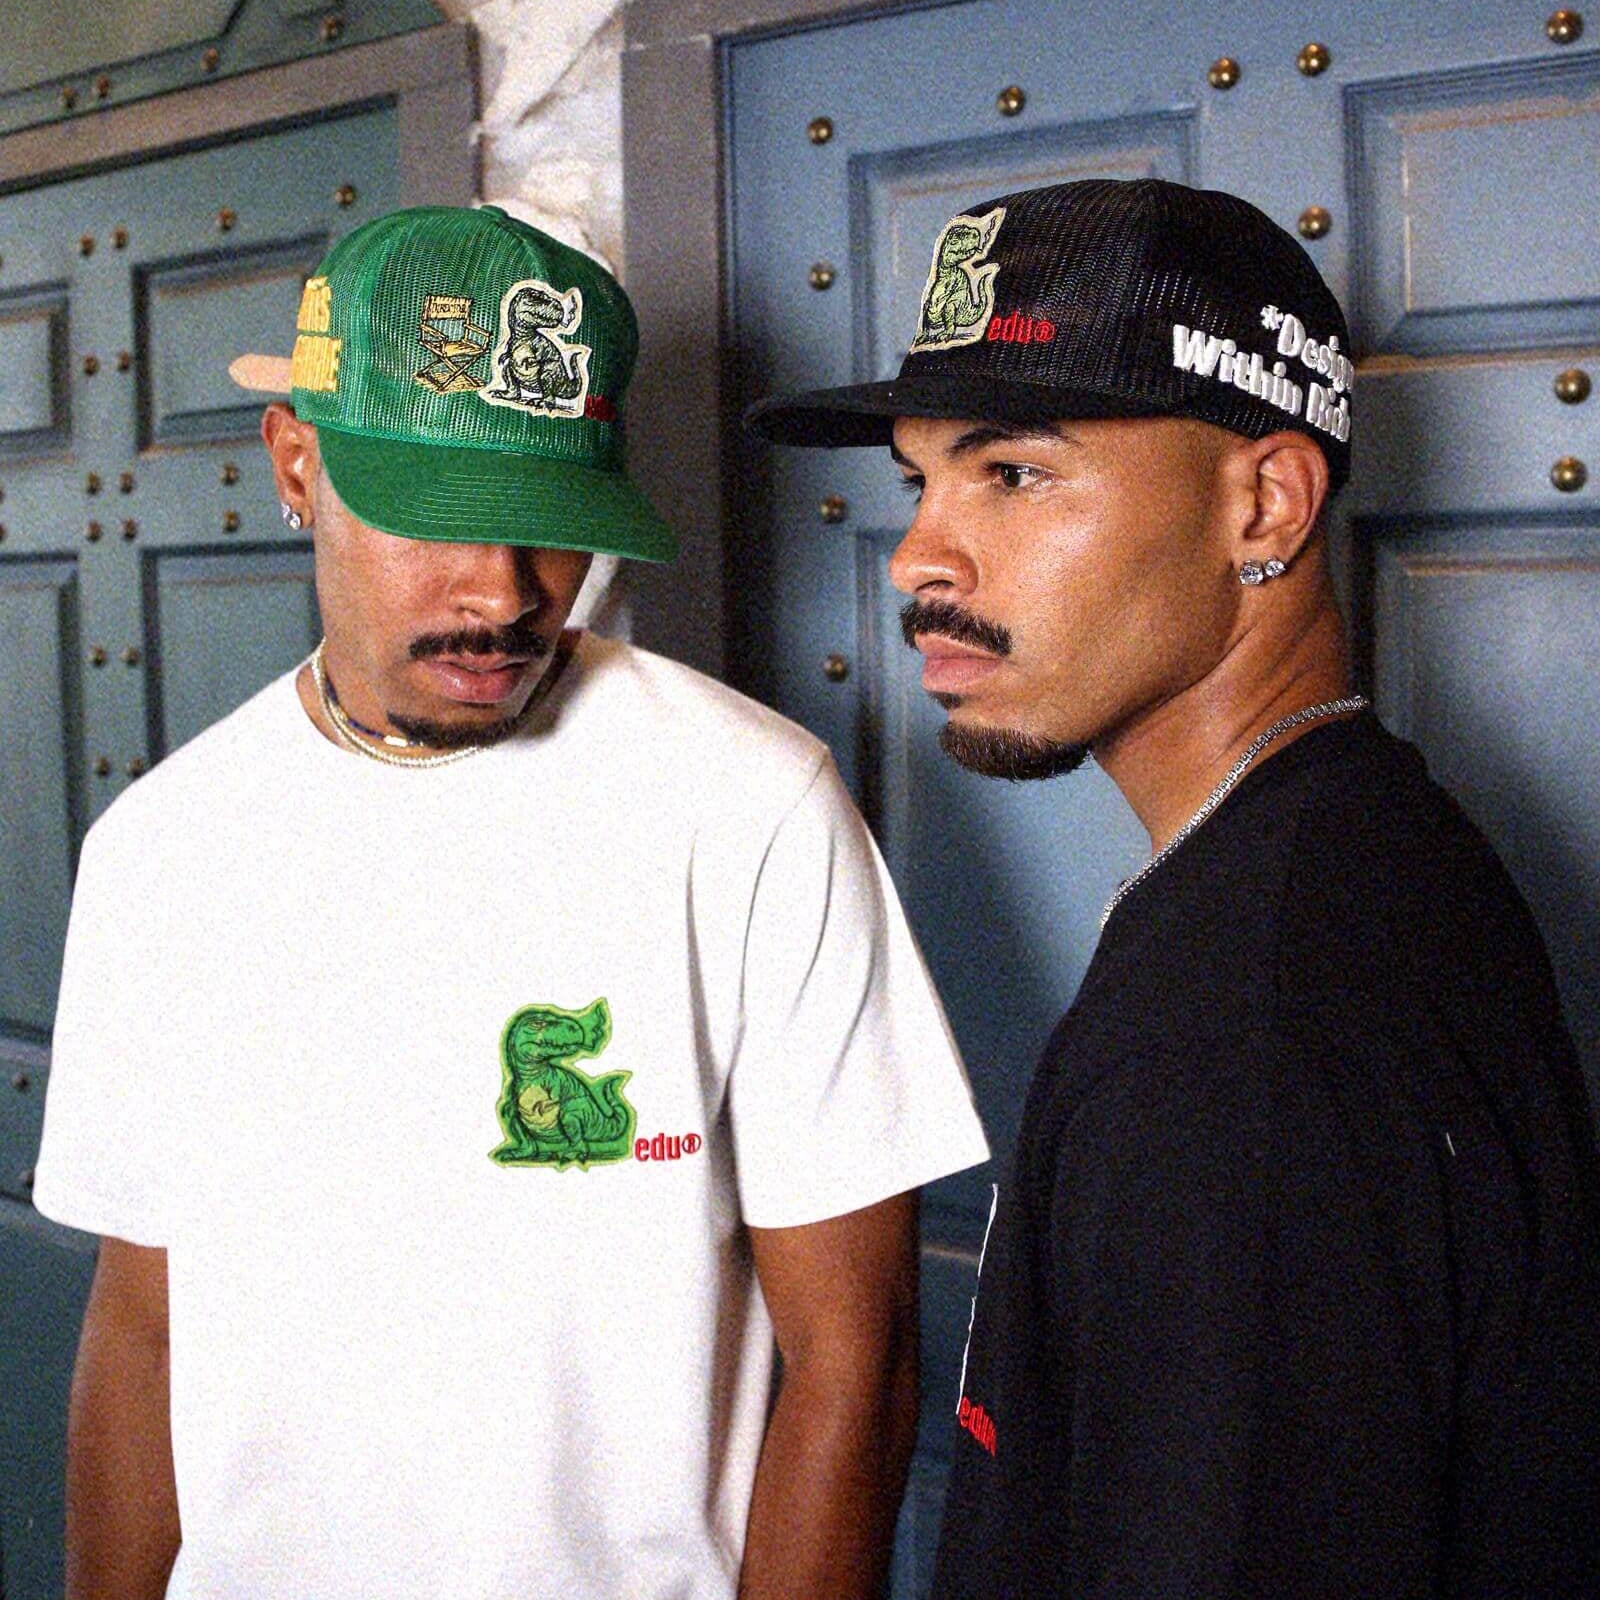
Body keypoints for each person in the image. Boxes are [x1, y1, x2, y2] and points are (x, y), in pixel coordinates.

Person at [33, 203, 989, 1600]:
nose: (502, 593)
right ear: (297, 466)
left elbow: (857, 1361)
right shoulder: (163, 852)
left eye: (550, 525)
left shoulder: (751, 807)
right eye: (437, 518)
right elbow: (143, 1334)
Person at [748, 178, 1600, 1598]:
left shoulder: (1246, 1030)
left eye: (1012, 474)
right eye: (920, 480)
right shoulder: (1348, 847)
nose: (917, 556)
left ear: (1263, 500)